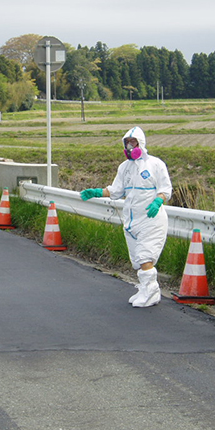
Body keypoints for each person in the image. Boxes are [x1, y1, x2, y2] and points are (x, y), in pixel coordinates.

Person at [80, 126, 172, 307]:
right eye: (127, 143)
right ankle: (145, 289)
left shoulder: (155, 164)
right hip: (131, 220)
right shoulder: (124, 167)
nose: (130, 146)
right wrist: (96, 192)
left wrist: (158, 201)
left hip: (151, 219)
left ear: (141, 143)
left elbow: (165, 189)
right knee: (137, 259)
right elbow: (116, 191)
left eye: (133, 142)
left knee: (145, 256)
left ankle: (152, 292)